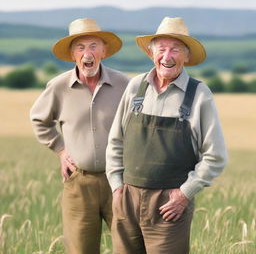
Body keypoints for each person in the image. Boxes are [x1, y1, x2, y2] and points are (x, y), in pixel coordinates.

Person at [106, 17, 228, 254]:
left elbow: (216, 156)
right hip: (127, 199)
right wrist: (116, 187)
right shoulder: (135, 87)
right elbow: (115, 141)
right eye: (161, 49)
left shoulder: (199, 95)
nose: (167, 56)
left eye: (175, 50)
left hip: (170, 204)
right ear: (152, 54)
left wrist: (185, 194)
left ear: (186, 56)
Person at [30, 18, 129, 254]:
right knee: (80, 250)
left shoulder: (124, 84)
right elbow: (39, 120)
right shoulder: (58, 86)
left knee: (129, 247)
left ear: (103, 51)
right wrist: (61, 150)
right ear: (73, 53)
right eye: (81, 47)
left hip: (120, 182)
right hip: (79, 183)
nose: (87, 53)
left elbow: (137, 126)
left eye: (94, 46)